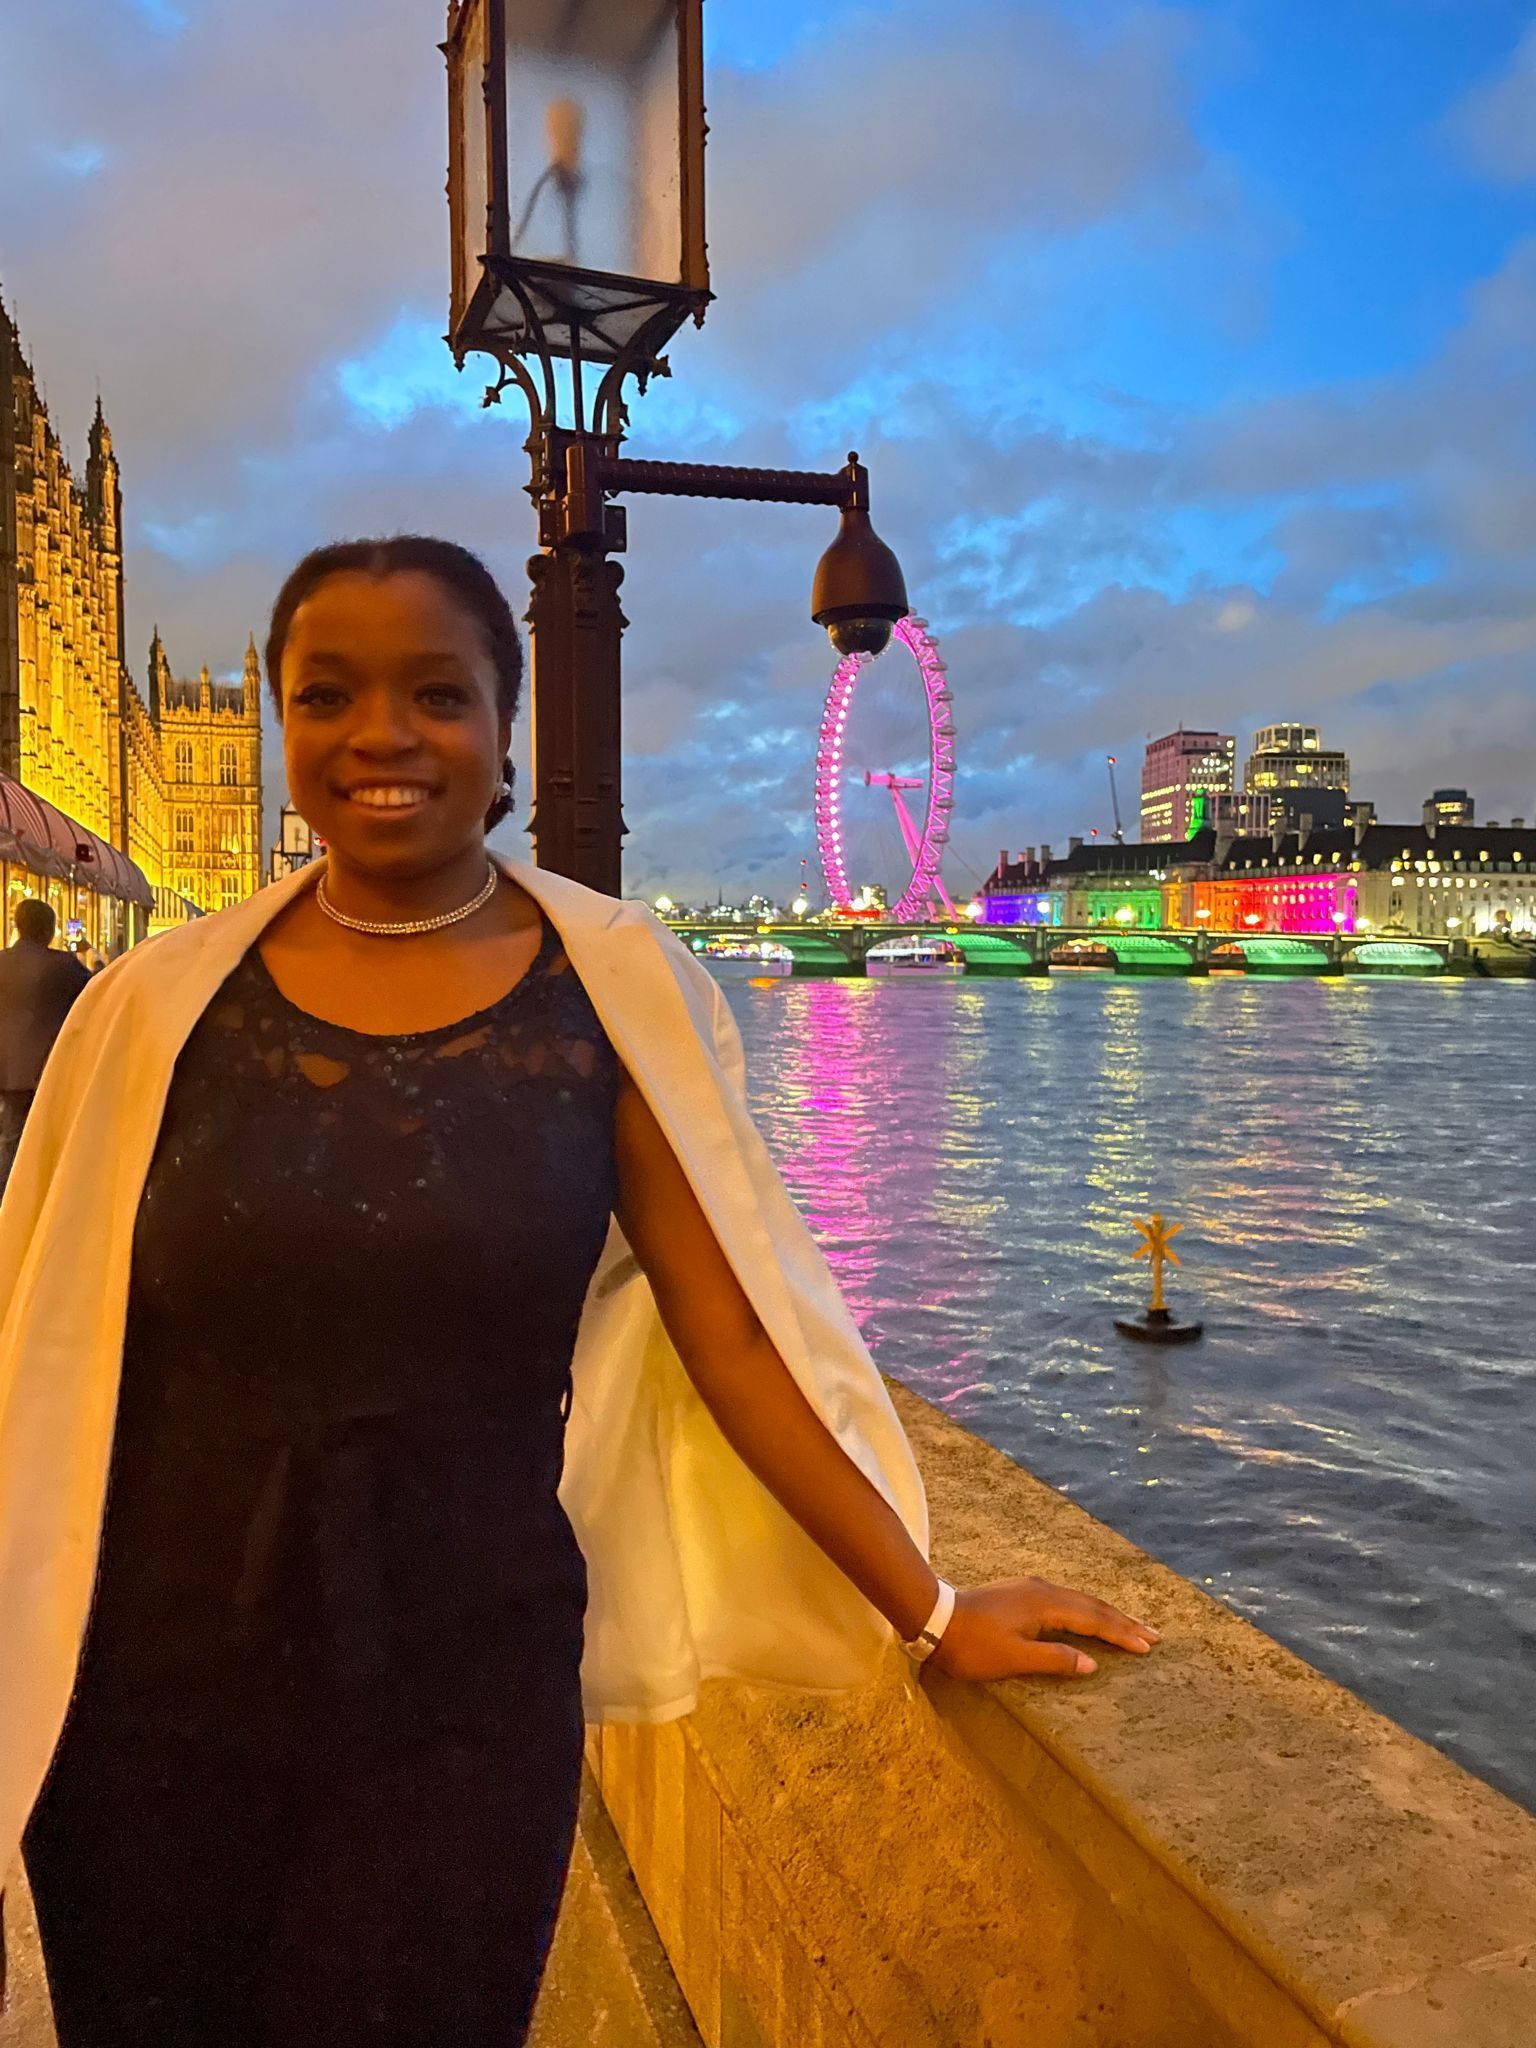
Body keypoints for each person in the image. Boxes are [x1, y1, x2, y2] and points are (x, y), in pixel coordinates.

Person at [1, 537, 1158, 2046]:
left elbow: (732, 1333)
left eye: (437, 694)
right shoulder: (155, 1006)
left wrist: (929, 1607)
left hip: (462, 1685)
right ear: (282, 727)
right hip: (149, 1683)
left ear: (505, 733)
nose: (381, 734)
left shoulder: (607, 989)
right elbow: (41, 1329)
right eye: (328, 695)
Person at [0, 897, 90, 1192]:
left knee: (12, 1133)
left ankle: (9, 1193)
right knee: (50, 1134)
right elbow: (95, 992)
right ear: (48, 930)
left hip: (7, 1067)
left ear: (18, 926)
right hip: (50, 1065)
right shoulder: (64, 965)